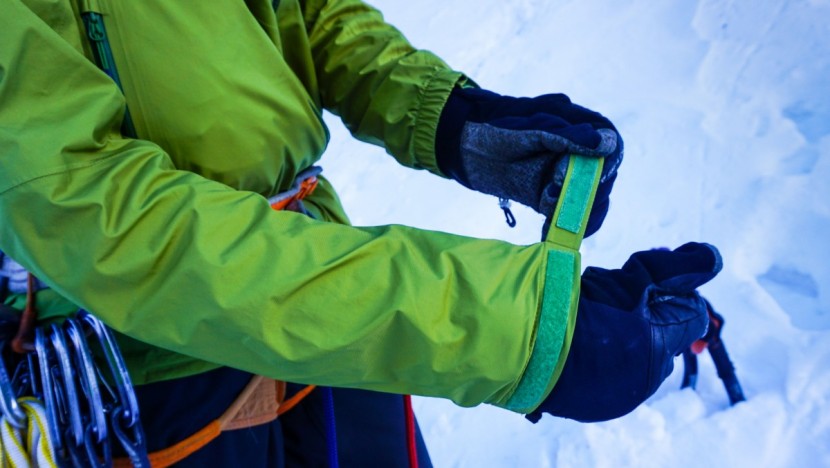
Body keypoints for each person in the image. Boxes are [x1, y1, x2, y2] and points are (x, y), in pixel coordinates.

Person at [0, 0, 721, 466]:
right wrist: (515, 332)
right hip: (150, 367)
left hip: (329, 310)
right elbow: (99, 213)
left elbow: (308, 15)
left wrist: (451, 119)